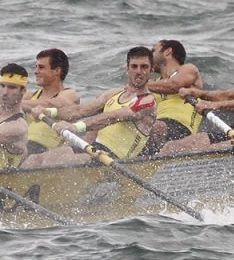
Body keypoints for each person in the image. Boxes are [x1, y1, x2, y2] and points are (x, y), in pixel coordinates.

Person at [21, 46, 159, 169]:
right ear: (127, 69)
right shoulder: (113, 94)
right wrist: (48, 111)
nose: (139, 71)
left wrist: (75, 127)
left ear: (151, 70)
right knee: (35, 159)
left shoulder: (147, 102)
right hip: (94, 150)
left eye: (144, 67)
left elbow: (112, 117)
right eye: (134, 66)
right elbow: (79, 111)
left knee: (52, 161)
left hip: (115, 160)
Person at [19, 47, 81, 163]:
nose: (35, 71)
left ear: (57, 71)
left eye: (41, 67)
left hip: (48, 154)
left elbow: (54, 104)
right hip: (24, 149)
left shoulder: (69, 94)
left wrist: (16, 103)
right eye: (36, 67)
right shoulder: (29, 97)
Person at [148, 39, 206, 150]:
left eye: (153, 51)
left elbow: (175, 85)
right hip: (158, 127)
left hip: (182, 129)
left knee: (152, 127)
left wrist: (142, 85)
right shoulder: (154, 84)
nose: (148, 56)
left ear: (168, 51)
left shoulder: (188, 69)